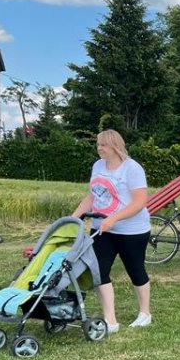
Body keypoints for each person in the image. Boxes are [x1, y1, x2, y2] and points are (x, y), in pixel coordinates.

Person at [71, 129, 152, 334]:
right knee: (99, 271)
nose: (99, 148)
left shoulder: (132, 169)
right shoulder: (98, 166)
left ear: (115, 146)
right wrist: (74, 218)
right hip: (101, 229)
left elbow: (140, 202)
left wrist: (114, 218)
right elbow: (92, 196)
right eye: (98, 144)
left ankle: (145, 314)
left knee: (135, 270)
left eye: (104, 145)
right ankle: (110, 319)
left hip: (132, 230)